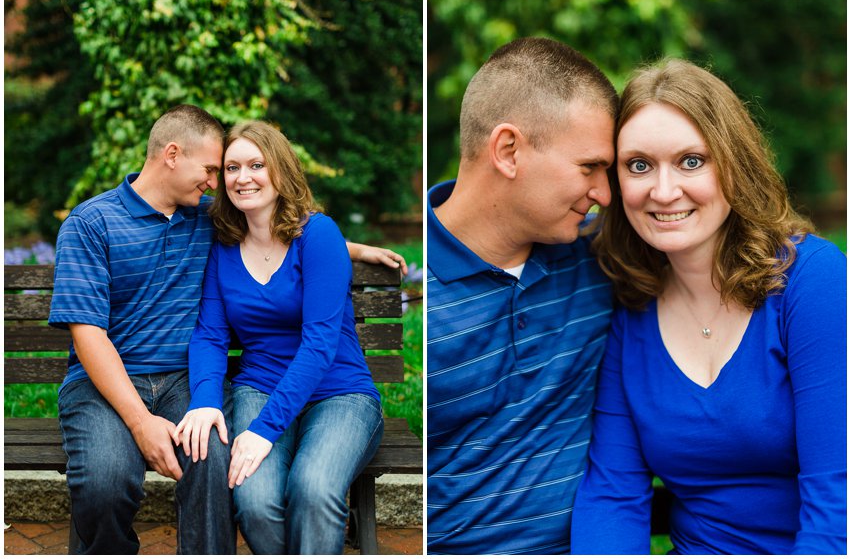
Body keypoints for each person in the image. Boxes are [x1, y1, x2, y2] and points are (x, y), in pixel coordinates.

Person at [49, 105, 407, 554]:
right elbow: (99, 336)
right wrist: (152, 420)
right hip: (116, 383)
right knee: (109, 483)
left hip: (239, 385)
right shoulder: (105, 224)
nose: (223, 182)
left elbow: (290, 233)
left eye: (248, 167)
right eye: (220, 169)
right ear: (173, 155)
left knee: (228, 462)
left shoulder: (218, 220)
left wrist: (348, 249)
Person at [571, 59, 847, 554]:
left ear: (733, 163)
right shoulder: (630, 306)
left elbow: (838, 493)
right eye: (638, 165)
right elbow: (613, 493)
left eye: (691, 161)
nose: (663, 190)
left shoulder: (813, 281)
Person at [426, 37, 619, 554]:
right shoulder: (419, 299)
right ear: (508, 151)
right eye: (589, 167)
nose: (604, 192)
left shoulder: (603, 259)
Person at [173, 120, 386, 555]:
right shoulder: (224, 245)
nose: (242, 177)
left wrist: (264, 430)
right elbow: (210, 335)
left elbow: (320, 345)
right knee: (252, 499)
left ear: (281, 170)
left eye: (256, 165)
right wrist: (206, 400)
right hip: (260, 386)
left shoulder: (319, 235)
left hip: (339, 393)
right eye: (231, 168)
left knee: (313, 488)